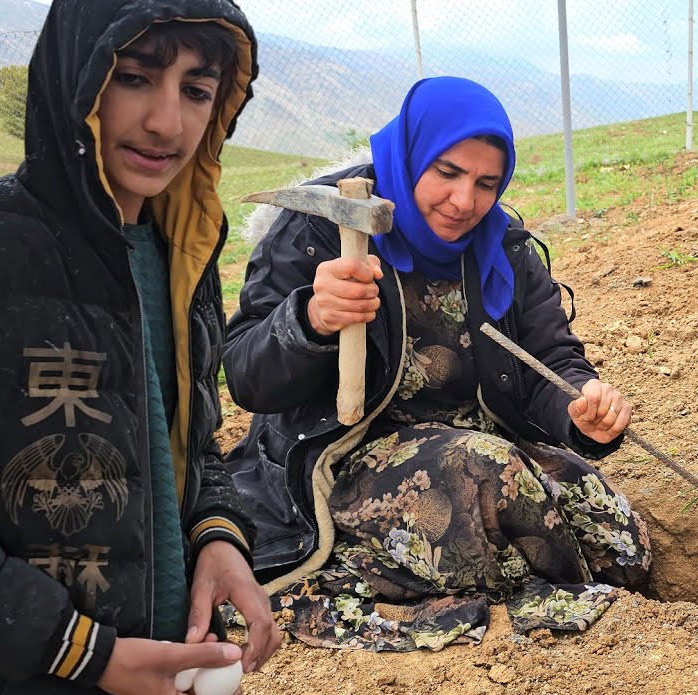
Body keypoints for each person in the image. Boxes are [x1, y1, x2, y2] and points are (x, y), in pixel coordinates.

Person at [223, 76, 652, 651]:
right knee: (491, 476)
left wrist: (581, 409)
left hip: (479, 443)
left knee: (619, 539)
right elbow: (246, 375)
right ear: (410, 154)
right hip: (344, 457)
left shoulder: (503, 248)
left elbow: (551, 359)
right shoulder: (323, 231)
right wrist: (312, 320)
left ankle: (532, 574)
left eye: (486, 183)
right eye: (447, 173)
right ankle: (368, 552)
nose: (465, 202)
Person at [0, 1, 282, 695]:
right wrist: (92, 656)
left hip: (157, 676)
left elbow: (190, 437)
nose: (166, 123)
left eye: (196, 91)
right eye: (135, 77)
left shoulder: (182, 253)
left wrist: (217, 537)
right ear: (75, 81)